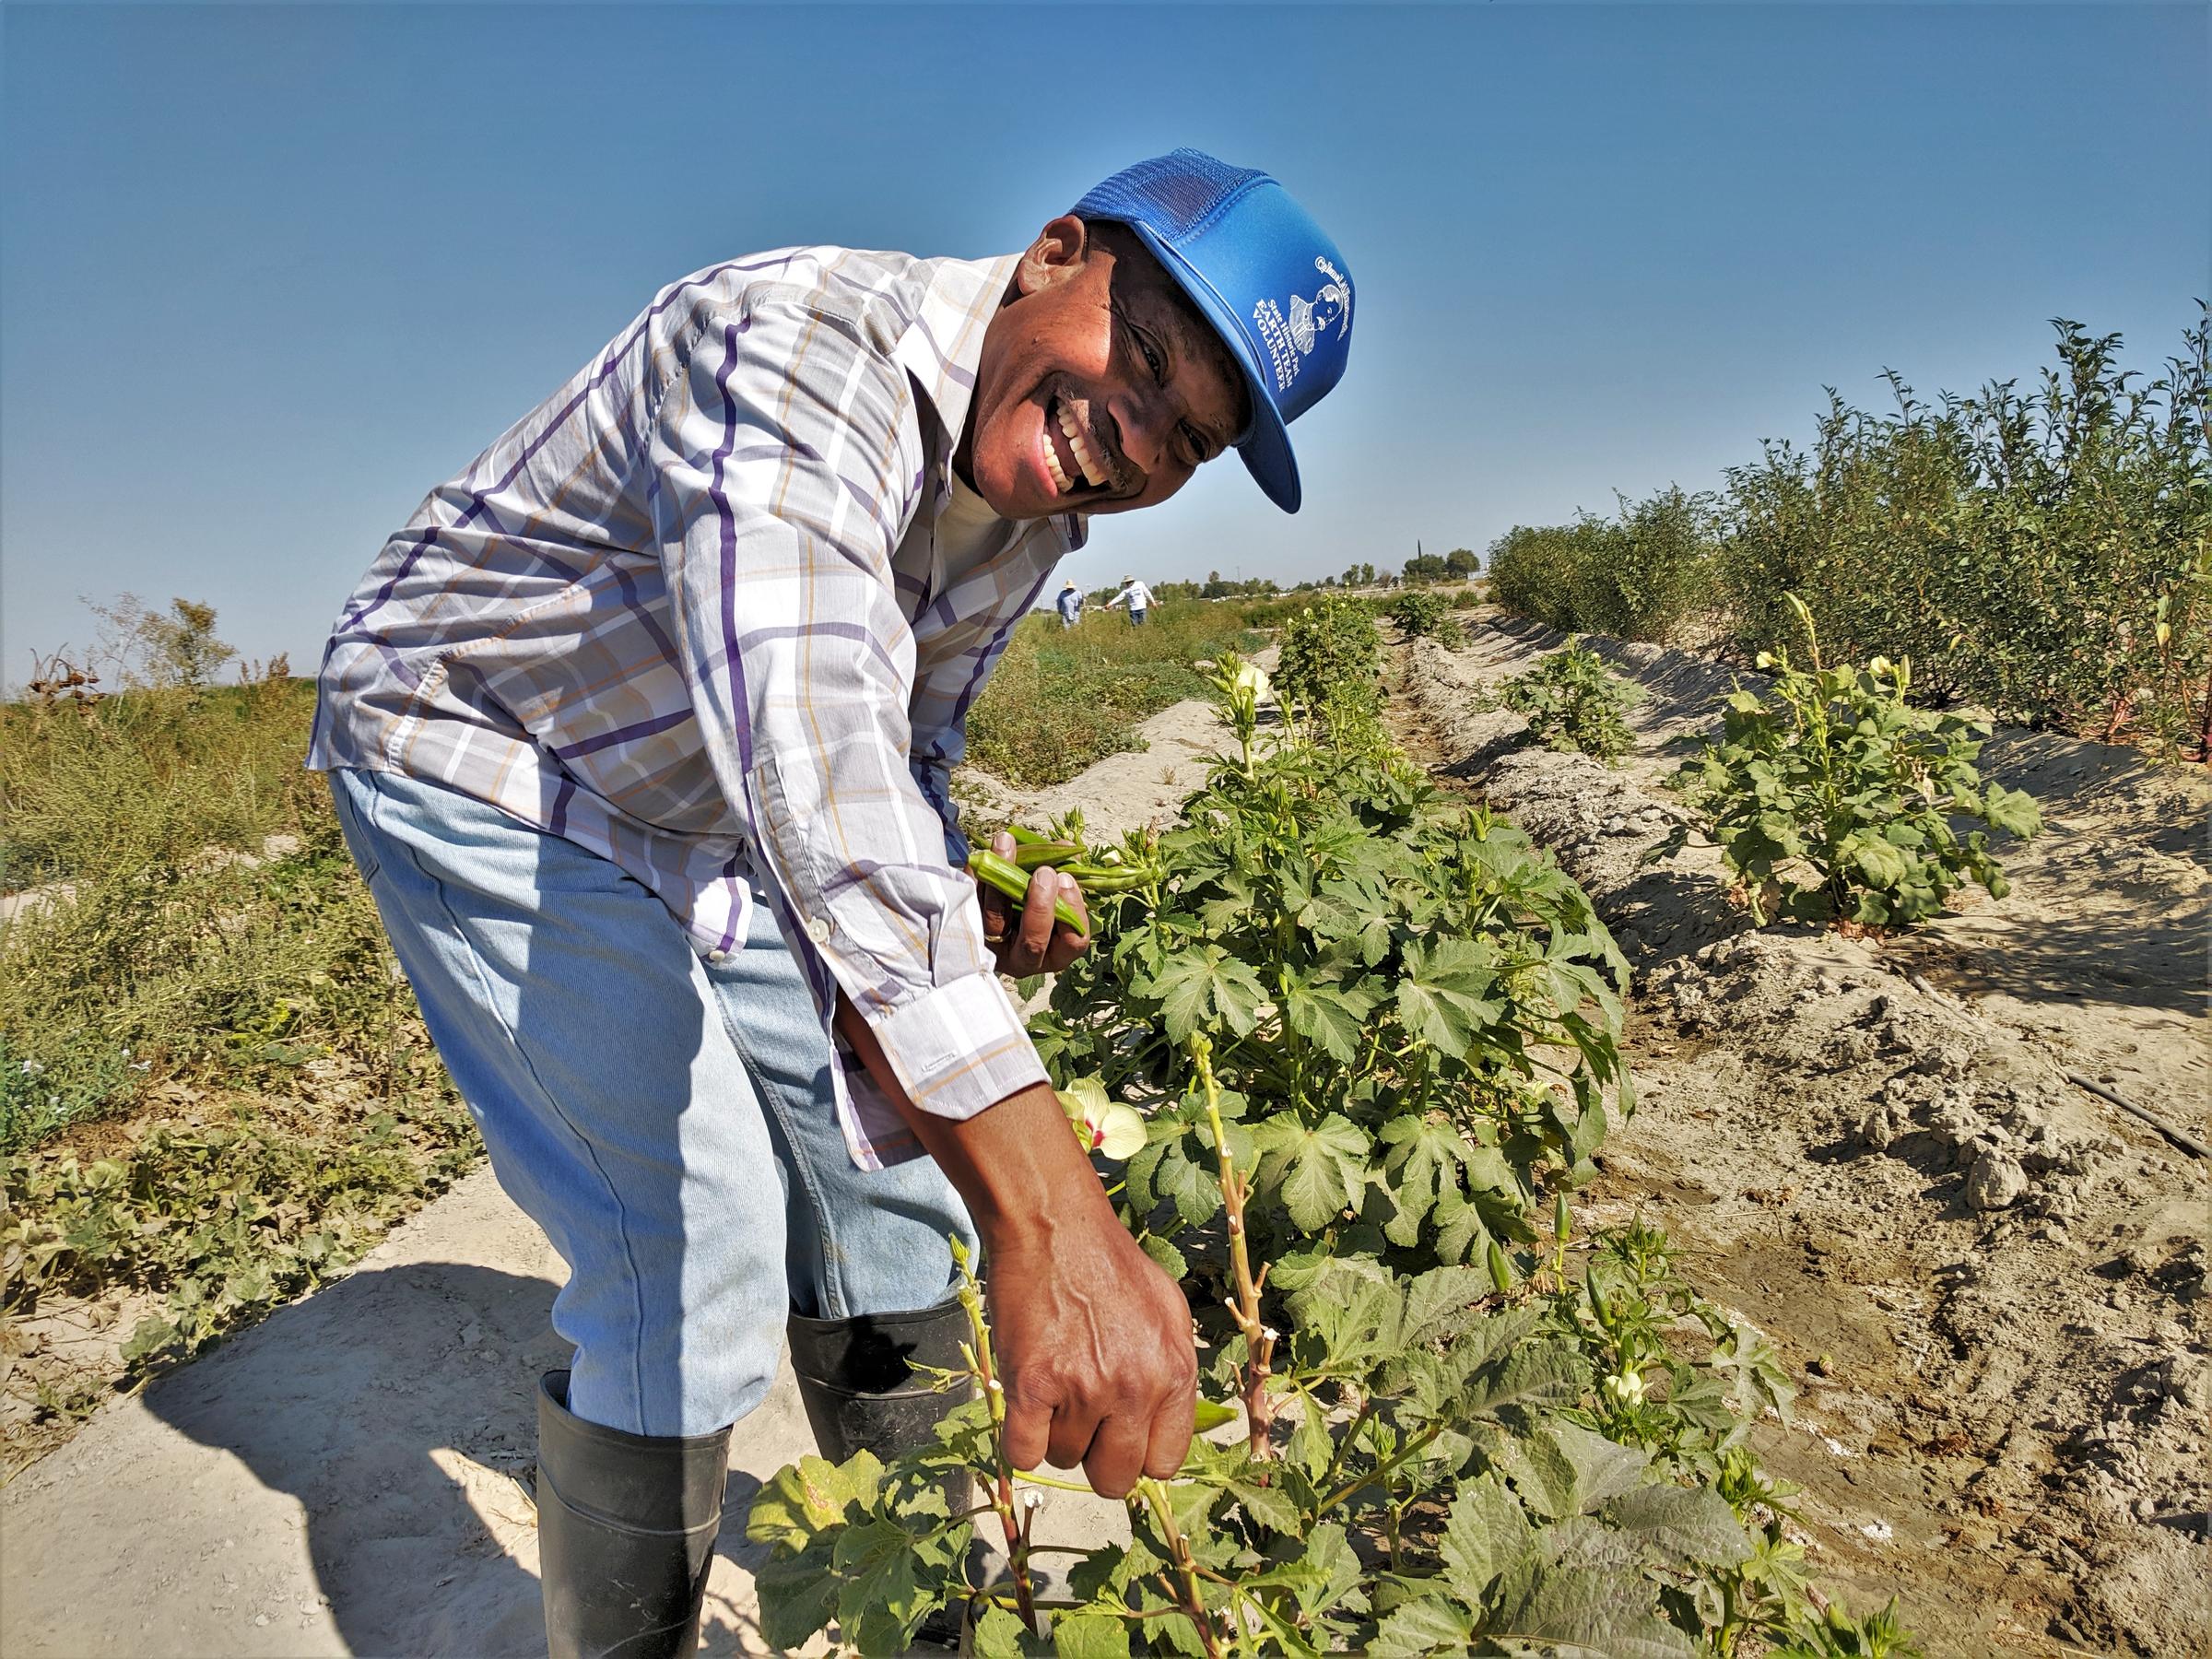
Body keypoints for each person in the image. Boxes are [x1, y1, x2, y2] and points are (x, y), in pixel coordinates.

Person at [307, 147, 1352, 1658]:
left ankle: (928, 1606)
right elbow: (815, 761)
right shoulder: (795, 346)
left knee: (893, 1194)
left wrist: (959, 918)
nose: (1132, 442)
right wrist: (1059, 1221)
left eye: (1185, 440)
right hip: (485, 745)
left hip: (707, 795)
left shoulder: (1033, 520)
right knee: (696, 1236)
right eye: (1143, 360)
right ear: (1055, 254)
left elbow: (894, 764)